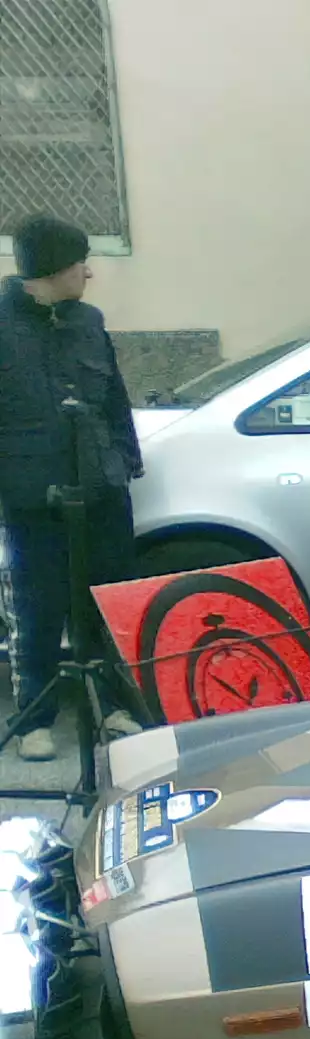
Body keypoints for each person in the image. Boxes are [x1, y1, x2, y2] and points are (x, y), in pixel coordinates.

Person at [0, 215, 144, 760]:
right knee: (37, 610)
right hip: (33, 497)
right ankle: (34, 721)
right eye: (81, 262)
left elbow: (115, 400)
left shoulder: (89, 321)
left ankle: (112, 707)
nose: (88, 272)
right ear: (56, 268)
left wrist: (124, 462)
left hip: (100, 489)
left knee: (109, 602)